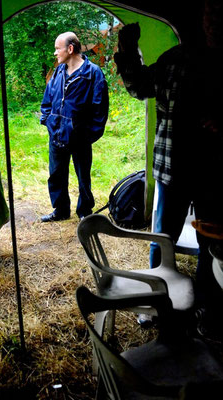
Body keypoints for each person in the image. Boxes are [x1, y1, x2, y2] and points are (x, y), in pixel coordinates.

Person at [114, 0, 223, 334]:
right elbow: (140, 87)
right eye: (207, 16)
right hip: (172, 165)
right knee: (163, 238)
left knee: (212, 243)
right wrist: (128, 51)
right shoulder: (175, 59)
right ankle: (160, 302)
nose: (210, 24)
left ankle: (209, 309)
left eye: (216, 17)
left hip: (214, 171)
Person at [40, 32, 109, 222]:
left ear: (70, 49)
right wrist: (48, 120)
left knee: (83, 178)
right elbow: (47, 100)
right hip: (57, 134)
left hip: (80, 137)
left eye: (57, 48)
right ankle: (60, 211)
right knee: (56, 175)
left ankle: (85, 212)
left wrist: (88, 135)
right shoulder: (58, 71)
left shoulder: (93, 73)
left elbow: (100, 108)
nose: (55, 53)